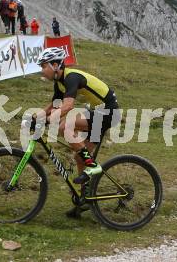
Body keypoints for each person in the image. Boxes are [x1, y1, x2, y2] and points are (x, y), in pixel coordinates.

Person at [35, 47, 121, 218]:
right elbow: (54, 104)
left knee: (64, 126)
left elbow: (67, 106)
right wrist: (36, 117)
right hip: (100, 112)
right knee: (79, 157)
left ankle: (92, 167)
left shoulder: (71, 77)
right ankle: (85, 199)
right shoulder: (59, 82)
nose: (42, 70)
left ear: (55, 65)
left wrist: (53, 118)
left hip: (109, 112)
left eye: (44, 66)